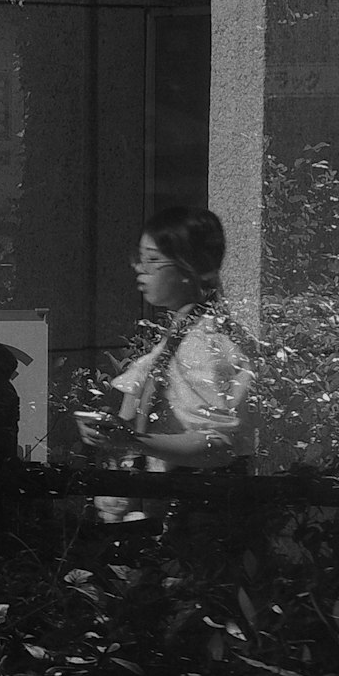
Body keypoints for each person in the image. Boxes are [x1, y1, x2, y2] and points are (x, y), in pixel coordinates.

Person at [81, 208, 252, 510]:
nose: (139, 268)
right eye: (139, 257)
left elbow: (218, 446)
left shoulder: (204, 344)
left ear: (189, 269)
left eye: (152, 260)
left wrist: (132, 440)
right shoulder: (182, 333)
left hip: (192, 521)